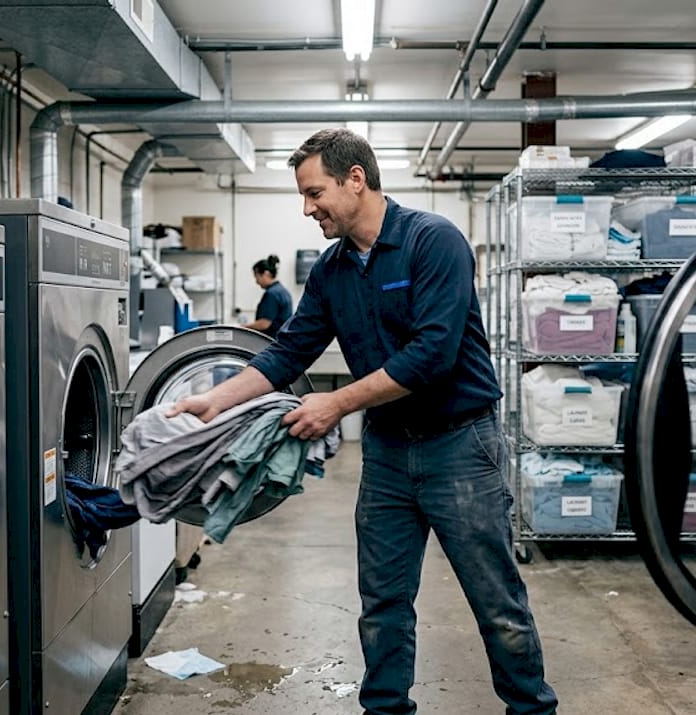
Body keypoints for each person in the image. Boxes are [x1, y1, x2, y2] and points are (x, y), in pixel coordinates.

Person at [168, 128, 558, 715]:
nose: (307, 208)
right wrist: (216, 400)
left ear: (356, 179)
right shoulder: (332, 270)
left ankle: (532, 709)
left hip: (460, 447)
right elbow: (288, 351)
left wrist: (335, 403)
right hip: (388, 452)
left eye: (314, 192)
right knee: (382, 603)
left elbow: (431, 355)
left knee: (495, 600)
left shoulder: (434, 242)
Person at [242, 254, 293, 337]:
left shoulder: (272, 294)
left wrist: (244, 327)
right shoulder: (283, 291)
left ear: (266, 273)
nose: (256, 282)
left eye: (257, 277)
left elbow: (264, 323)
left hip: (272, 340)